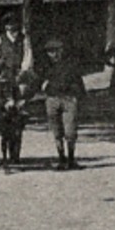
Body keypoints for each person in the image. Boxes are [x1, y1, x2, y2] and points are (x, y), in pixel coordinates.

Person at [39, 36, 87, 170]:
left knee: (70, 132)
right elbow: (37, 82)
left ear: (61, 51)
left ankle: (71, 159)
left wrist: (79, 99)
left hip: (68, 100)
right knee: (57, 131)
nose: (53, 54)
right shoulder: (44, 66)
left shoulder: (71, 64)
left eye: (56, 51)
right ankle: (61, 159)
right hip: (52, 100)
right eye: (50, 51)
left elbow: (79, 82)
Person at [0, 12, 33, 103]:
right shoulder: (0, 39)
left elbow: (28, 56)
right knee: (2, 97)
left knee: (21, 94)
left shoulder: (24, 39)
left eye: (13, 23)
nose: (10, 26)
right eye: (8, 24)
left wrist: (23, 71)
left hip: (19, 72)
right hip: (5, 72)